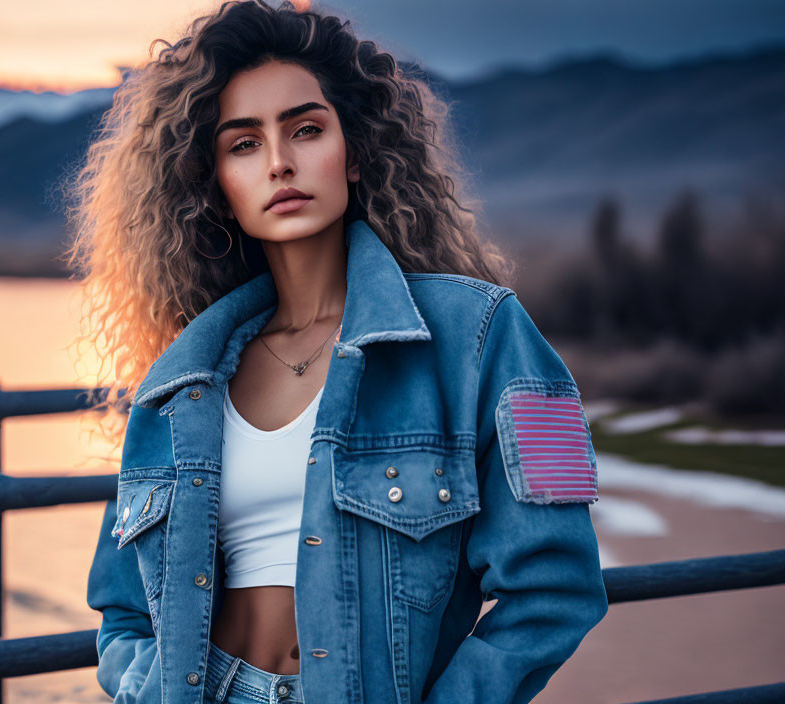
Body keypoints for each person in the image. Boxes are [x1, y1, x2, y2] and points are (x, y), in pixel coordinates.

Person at [68, 1, 609, 702]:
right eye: (243, 144)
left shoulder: (484, 334)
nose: (280, 162)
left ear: (355, 154)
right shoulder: (175, 385)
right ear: (218, 190)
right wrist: (146, 685)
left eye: (306, 130)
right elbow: (123, 614)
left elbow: (556, 589)